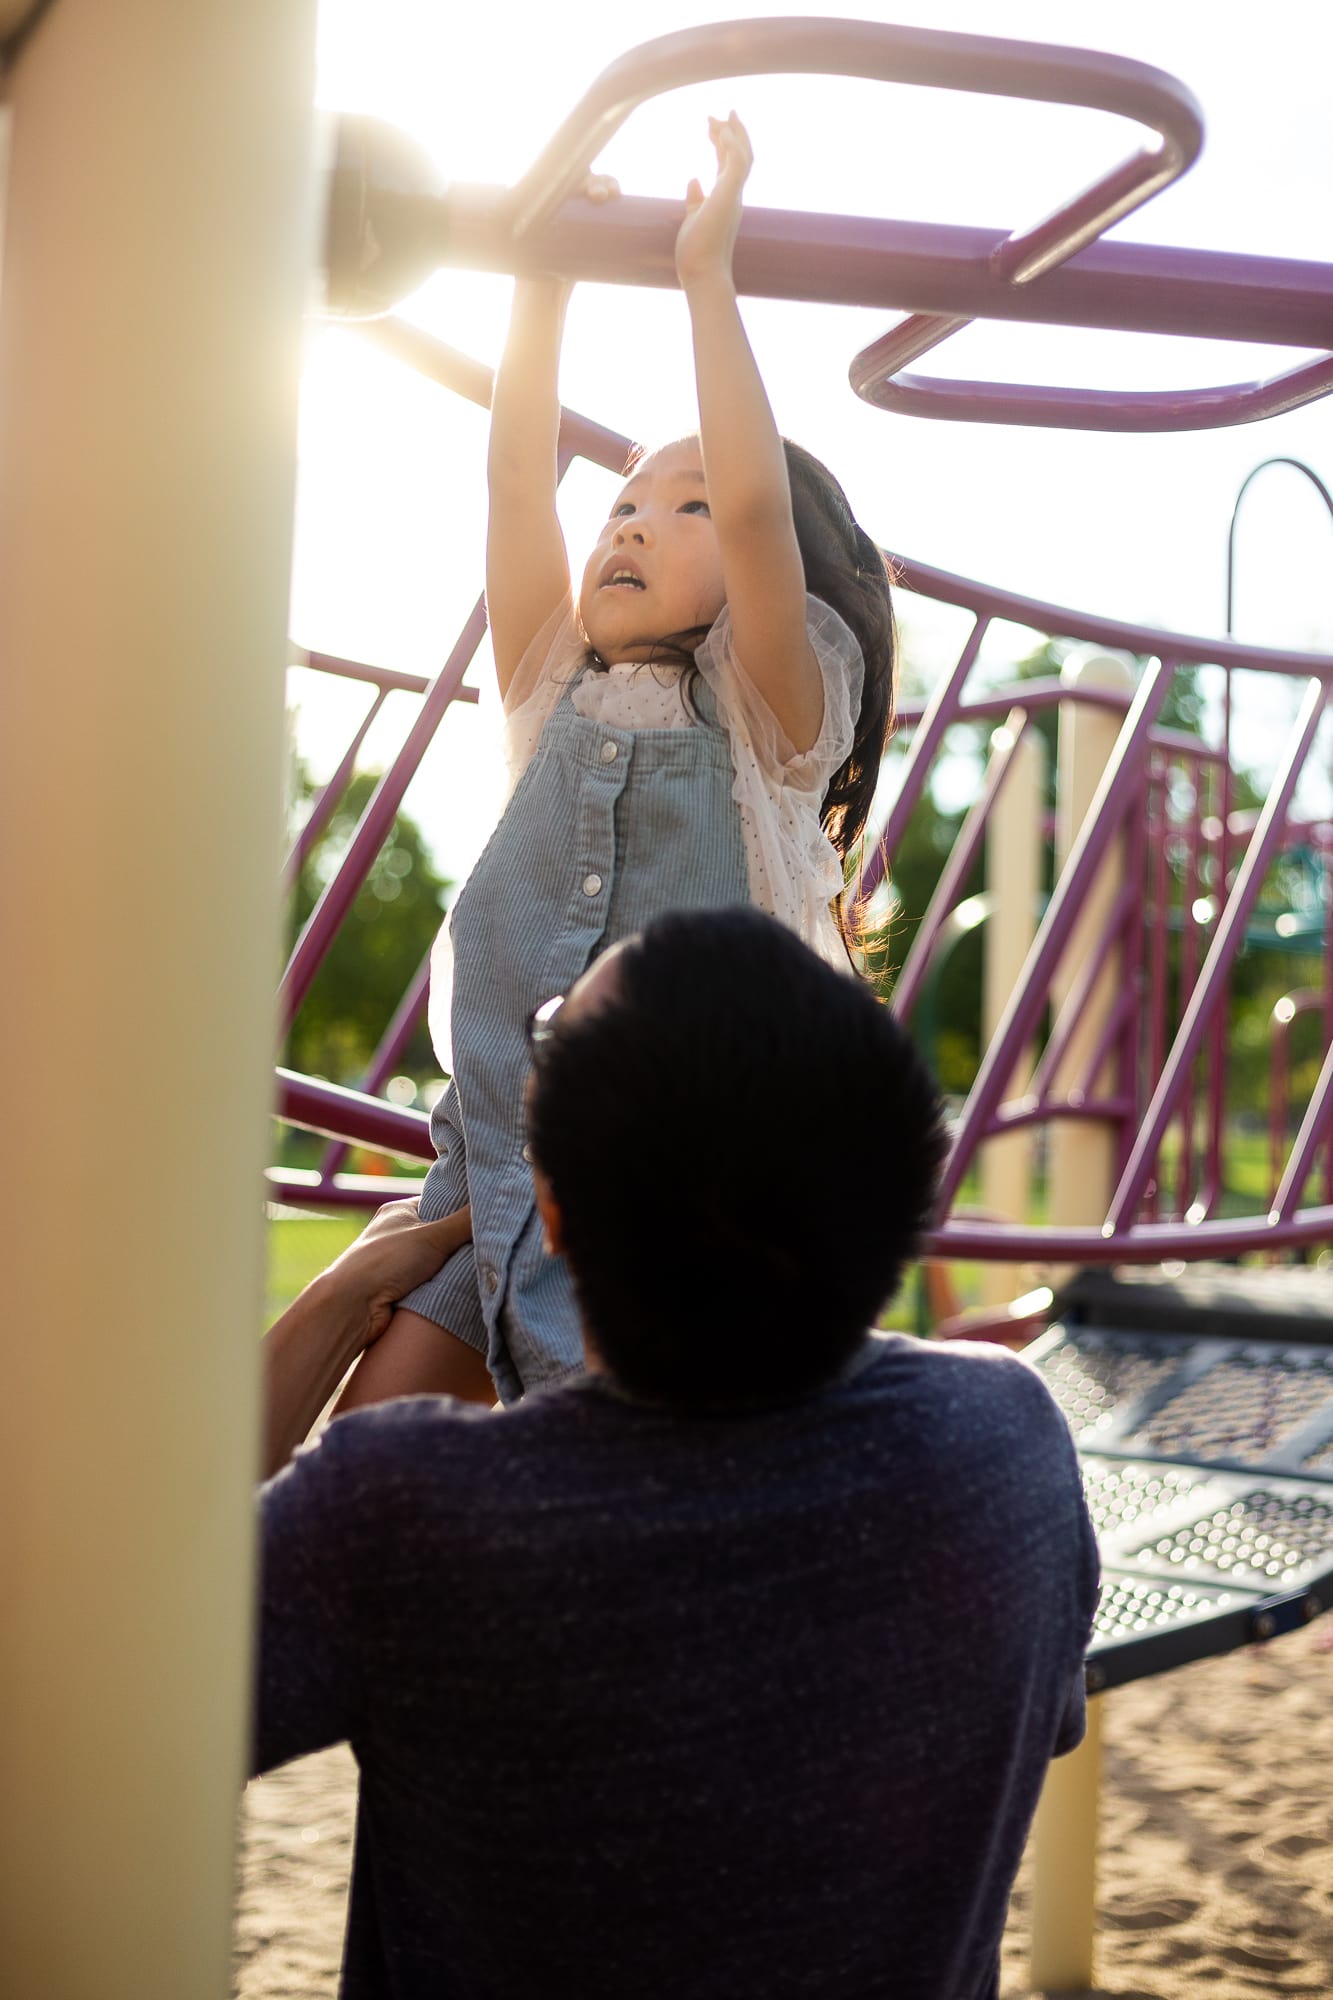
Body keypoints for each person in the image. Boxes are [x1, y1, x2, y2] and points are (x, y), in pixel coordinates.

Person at [257, 908, 1100, 2000]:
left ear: (549, 1213)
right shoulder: (1008, 1448)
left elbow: (98, 1706)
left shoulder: (411, 1517)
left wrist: (333, 1299)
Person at [332, 112, 898, 1414]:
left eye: (683, 504)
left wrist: (708, 274)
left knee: (642, 1497)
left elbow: (761, 510)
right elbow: (515, 481)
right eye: (627, 504)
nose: (637, 523)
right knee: (376, 1454)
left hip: (683, 1220)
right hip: (482, 1207)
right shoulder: (551, 694)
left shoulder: (768, 723)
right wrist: (544, 278)